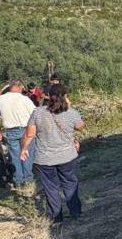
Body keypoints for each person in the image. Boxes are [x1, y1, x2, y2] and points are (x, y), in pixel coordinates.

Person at [21, 83, 84, 222]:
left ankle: (56, 216)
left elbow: (30, 134)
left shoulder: (37, 112)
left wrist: (24, 149)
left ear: (48, 96)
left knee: (50, 187)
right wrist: (70, 106)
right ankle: (75, 211)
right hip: (67, 155)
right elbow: (80, 127)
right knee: (69, 183)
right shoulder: (71, 113)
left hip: (44, 158)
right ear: (65, 96)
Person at [0, 79, 36, 184]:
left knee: (15, 156)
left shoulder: (1, 99)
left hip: (10, 130)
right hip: (25, 129)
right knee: (27, 154)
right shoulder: (25, 99)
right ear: (19, 87)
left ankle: (18, 179)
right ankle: (28, 178)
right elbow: (34, 114)